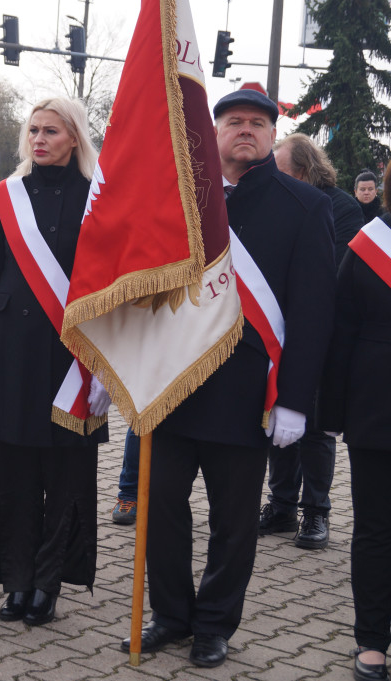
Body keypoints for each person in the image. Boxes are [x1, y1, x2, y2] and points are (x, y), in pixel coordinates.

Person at [122, 89, 335, 668]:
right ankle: (171, 613)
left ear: (273, 136)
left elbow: (313, 314)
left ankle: (214, 623)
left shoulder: (305, 208)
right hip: (173, 384)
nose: (247, 130)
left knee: (234, 521)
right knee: (160, 507)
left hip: (247, 394)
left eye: (259, 123)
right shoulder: (180, 198)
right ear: (212, 132)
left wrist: (295, 402)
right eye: (235, 121)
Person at [0, 98, 109, 627]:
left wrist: (108, 370)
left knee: (67, 476)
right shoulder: (7, 197)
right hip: (11, 351)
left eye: (51, 131)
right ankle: (16, 580)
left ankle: (47, 584)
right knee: (11, 475)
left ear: (73, 137)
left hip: (73, 359)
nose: (39, 139)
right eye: (33, 131)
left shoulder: (98, 198)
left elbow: (111, 288)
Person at [259, 133, 362, 550]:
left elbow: (330, 271)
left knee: (314, 427)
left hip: (321, 331)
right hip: (277, 327)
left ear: (302, 170)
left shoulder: (342, 207)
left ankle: (316, 512)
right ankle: (282, 505)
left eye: (279, 168)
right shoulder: (276, 200)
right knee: (276, 420)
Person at [319, 165, 391, 681]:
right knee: (376, 527)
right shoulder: (370, 243)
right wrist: (334, 411)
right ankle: (372, 639)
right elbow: (340, 327)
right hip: (378, 402)